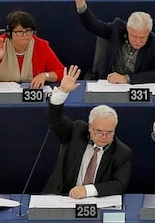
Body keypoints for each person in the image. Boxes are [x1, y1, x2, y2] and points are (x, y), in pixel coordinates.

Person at [44, 65, 133, 198]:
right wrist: (62, 92)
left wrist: (88, 190)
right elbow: (55, 120)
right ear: (90, 127)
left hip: (95, 203)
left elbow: (119, 184)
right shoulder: (76, 131)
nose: (104, 136)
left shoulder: (122, 152)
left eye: (109, 132)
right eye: (99, 131)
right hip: (61, 195)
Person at [73, 0, 155, 83]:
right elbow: (93, 25)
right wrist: (81, 4)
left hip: (133, 88)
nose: (138, 41)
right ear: (128, 29)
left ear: (148, 33)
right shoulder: (117, 29)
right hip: (107, 82)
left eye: (143, 37)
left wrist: (127, 79)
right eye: (134, 36)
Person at [0, 10, 64, 88]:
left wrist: (45, 75)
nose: (25, 35)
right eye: (19, 32)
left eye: (28, 31)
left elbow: (61, 72)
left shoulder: (41, 45)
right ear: (9, 33)